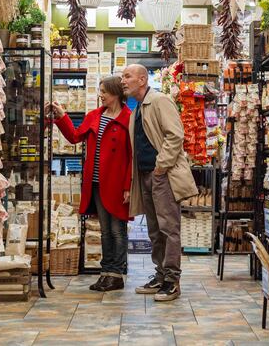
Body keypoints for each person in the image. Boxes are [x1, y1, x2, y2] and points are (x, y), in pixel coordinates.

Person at [46, 76, 132, 292]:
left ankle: (117, 274)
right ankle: (105, 273)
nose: (100, 95)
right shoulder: (95, 116)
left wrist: (128, 186)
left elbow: (133, 156)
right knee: (105, 231)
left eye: (103, 91)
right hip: (96, 182)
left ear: (115, 93)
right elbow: (75, 137)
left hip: (117, 182)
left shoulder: (129, 119)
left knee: (117, 230)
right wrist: (62, 116)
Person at [121, 64, 197, 302]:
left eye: (127, 76)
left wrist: (161, 167)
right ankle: (161, 274)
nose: (123, 81)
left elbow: (175, 135)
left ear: (142, 79)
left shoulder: (160, 101)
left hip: (162, 175)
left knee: (168, 228)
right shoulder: (137, 109)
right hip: (145, 175)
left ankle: (172, 281)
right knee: (154, 230)